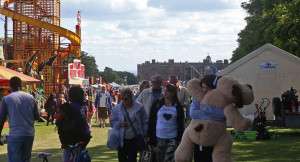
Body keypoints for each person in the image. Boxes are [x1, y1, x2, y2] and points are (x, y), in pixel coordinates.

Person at [0, 76, 40, 161]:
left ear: (10, 86)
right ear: (21, 84)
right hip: (29, 134)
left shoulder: (6, 99)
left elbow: (1, 119)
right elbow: (37, 116)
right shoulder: (31, 98)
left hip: (15, 134)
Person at [147, 84, 185, 162]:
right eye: (164, 90)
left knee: (169, 159)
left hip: (172, 138)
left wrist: (180, 137)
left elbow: (181, 122)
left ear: (173, 93)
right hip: (158, 137)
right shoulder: (157, 104)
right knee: (158, 158)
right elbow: (151, 120)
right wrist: (149, 135)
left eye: (167, 91)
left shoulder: (177, 106)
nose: (165, 92)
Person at [110, 88, 148, 162]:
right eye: (122, 99)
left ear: (131, 98)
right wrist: (119, 123)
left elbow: (145, 121)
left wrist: (145, 133)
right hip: (121, 139)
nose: (124, 101)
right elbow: (112, 122)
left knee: (132, 159)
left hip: (134, 138)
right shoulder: (117, 108)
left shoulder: (139, 107)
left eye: (126, 99)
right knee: (122, 159)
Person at [190, 74, 221, 162]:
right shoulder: (197, 98)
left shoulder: (220, 99)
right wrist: (214, 114)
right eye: (203, 87)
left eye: (208, 88)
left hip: (216, 135)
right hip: (200, 136)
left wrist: (204, 108)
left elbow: (223, 114)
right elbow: (193, 113)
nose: (204, 90)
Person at [56, 86, 91, 162]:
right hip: (85, 133)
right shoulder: (80, 105)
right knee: (77, 156)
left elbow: (62, 120)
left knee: (71, 156)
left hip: (76, 135)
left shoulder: (71, 106)